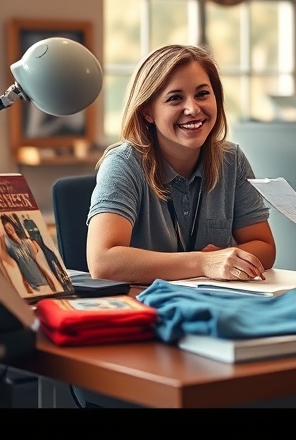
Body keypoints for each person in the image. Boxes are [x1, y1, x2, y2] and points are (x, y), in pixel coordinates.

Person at [86, 44, 276, 285]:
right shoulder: (123, 164)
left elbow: (265, 247)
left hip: (213, 303)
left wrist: (223, 259)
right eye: (175, 98)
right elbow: (103, 263)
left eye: (202, 94)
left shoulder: (232, 159)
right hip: (146, 306)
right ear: (147, 112)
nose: (193, 109)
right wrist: (203, 262)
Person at [0, 214, 55, 293]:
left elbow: (36, 256)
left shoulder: (26, 242)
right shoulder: (9, 244)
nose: (9, 229)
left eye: (10, 226)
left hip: (40, 277)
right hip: (31, 281)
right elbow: (4, 254)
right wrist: (1, 240)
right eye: (7, 228)